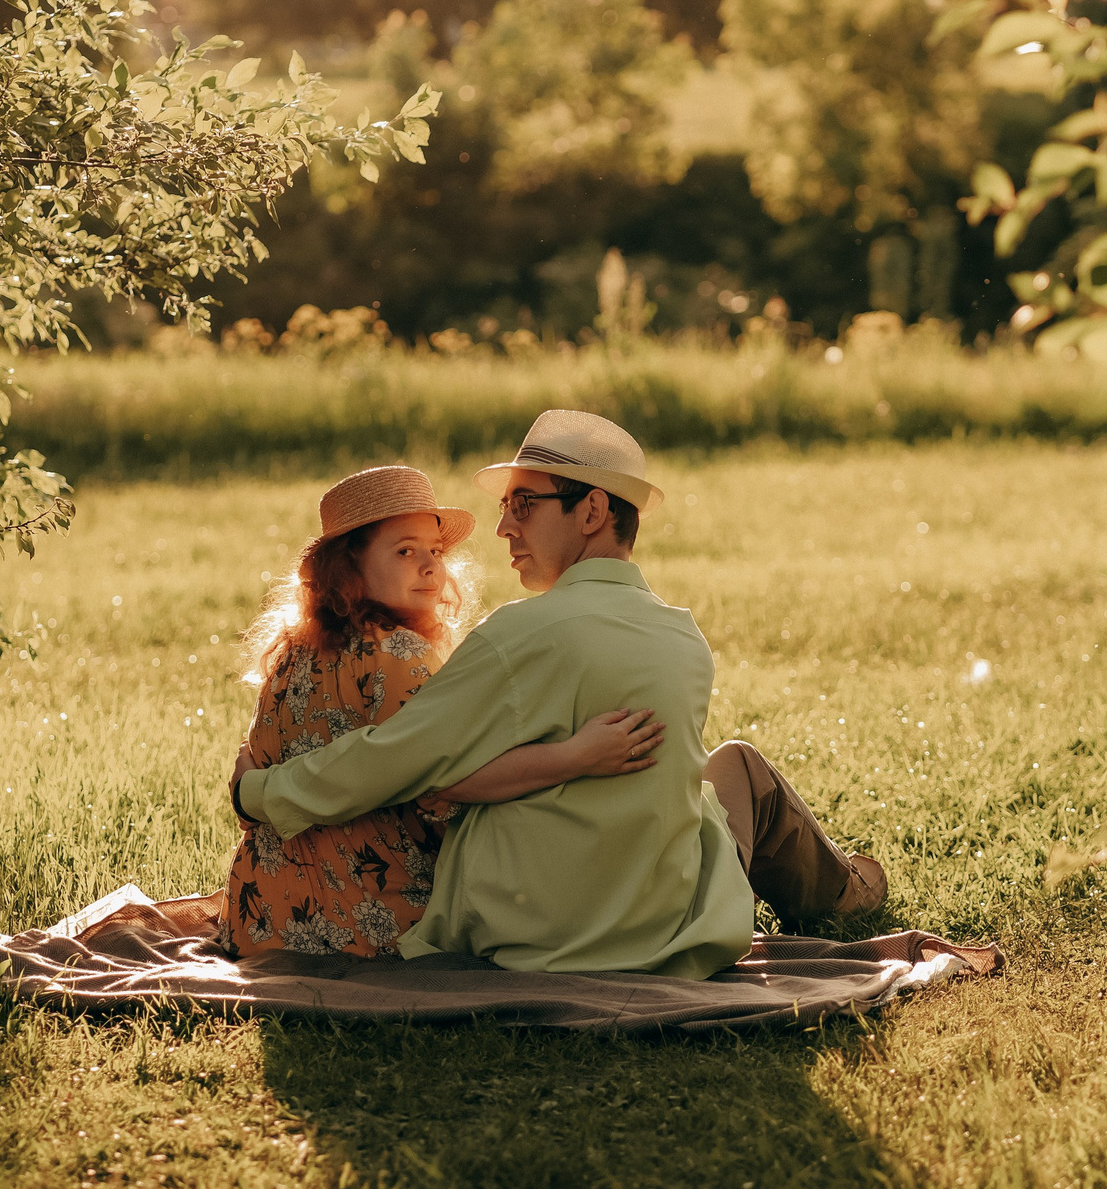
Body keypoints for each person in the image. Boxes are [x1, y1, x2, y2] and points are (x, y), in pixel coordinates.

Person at [234, 410, 885, 977]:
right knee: (735, 769)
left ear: (594, 511)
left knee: (724, 776)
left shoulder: (514, 637)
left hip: (530, 930)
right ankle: (851, 889)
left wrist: (259, 791)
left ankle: (851, 886)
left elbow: (392, 758)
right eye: (504, 509)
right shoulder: (686, 641)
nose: (503, 528)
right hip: (661, 927)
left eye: (525, 505)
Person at [219, 464, 669, 958]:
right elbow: (444, 785)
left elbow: (258, 755)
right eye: (406, 551)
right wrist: (574, 758)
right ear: (348, 568)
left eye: (436, 552)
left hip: (259, 912)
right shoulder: (399, 655)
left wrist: (255, 793)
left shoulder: (288, 654)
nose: (432, 567)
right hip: (364, 920)